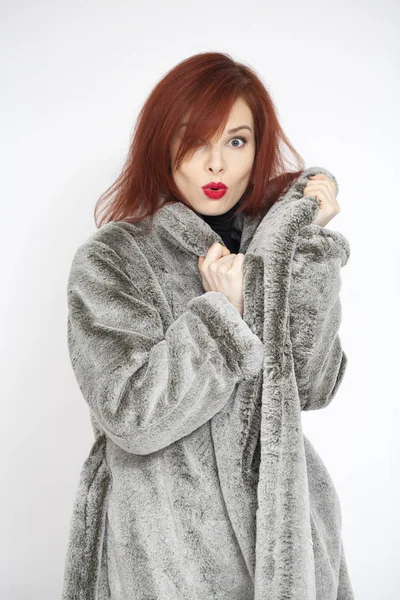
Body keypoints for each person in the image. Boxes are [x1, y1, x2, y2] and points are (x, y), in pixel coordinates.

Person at [61, 52, 354, 599]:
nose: (216, 164)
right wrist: (221, 318)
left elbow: (313, 388)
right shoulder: (114, 260)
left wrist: (307, 246)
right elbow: (130, 416)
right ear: (161, 145)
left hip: (289, 545)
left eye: (236, 141)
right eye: (195, 140)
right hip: (168, 554)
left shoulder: (277, 250)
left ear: (257, 148)